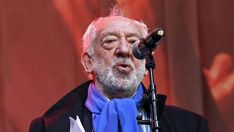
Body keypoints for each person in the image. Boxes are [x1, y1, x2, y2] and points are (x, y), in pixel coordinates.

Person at [29, 7, 209, 132]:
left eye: (134, 43)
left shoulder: (191, 126)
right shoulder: (48, 128)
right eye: (110, 41)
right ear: (88, 62)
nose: (124, 50)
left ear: (145, 62)